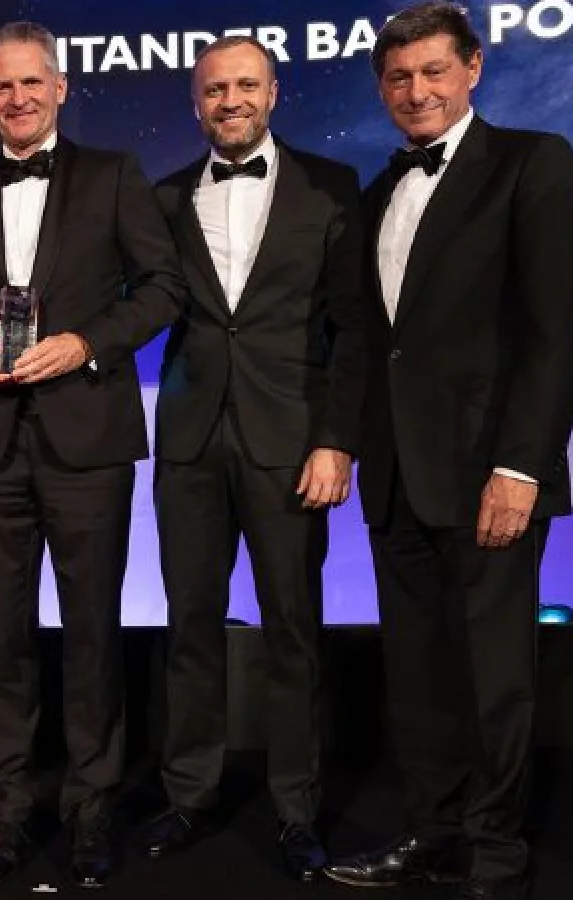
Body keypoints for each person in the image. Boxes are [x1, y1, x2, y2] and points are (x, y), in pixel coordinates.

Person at [322, 6, 573, 900]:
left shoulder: (533, 163)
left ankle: (496, 854)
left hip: (489, 475)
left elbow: (555, 332)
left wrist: (522, 470)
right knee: (419, 676)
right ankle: (432, 835)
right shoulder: (375, 194)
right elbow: (374, 345)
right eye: (399, 77)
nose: (417, 91)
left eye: (434, 71)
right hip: (398, 478)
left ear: (472, 68)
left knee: (494, 676)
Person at [0, 20, 187, 889]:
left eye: (30, 83)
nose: (17, 98)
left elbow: (163, 287)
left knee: (91, 636)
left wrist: (86, 343)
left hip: (88, 438)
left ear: (60, 87)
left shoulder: (114, 175)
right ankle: (7, 816)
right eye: (1, 87)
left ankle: (90, 814)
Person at [147, 35, 368, 882]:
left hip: (292, 443)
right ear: (195, 103)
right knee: (189, 627)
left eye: (246, 85)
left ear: (274, 94)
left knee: (293, 633)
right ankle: (187, 795)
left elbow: (353, 327)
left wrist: (337, 438)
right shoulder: (165, 197)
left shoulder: (330, 187)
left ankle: (297, 809)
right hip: (190, 442)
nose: (230, 100)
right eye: (214, 89)